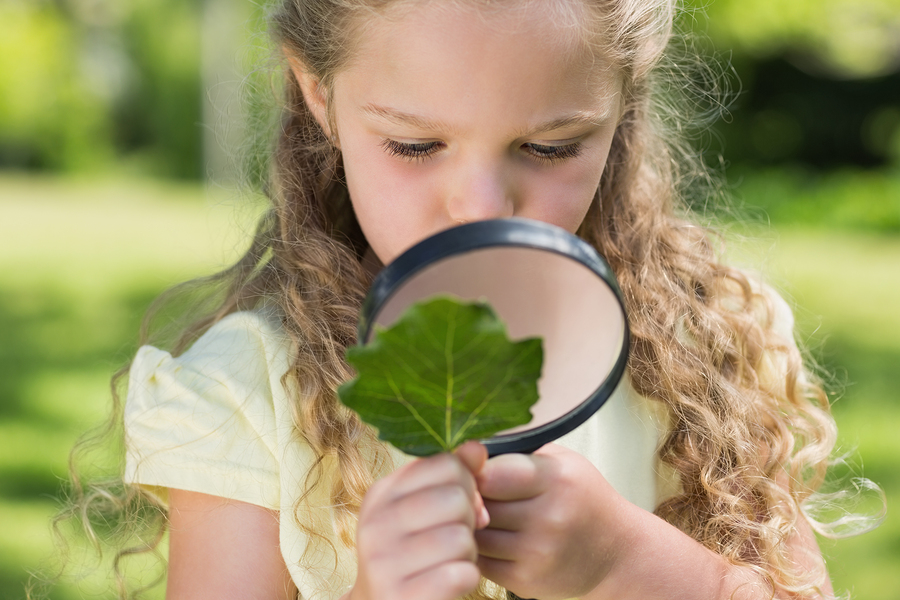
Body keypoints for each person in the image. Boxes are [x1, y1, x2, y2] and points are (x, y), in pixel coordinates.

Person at [58, 0, 876, 599]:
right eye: (416, 145)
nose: (483, 204)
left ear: (622, 104)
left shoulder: (708, 342)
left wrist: (629, 565)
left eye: (550, 146)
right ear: (318, 94)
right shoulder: (248, 394)